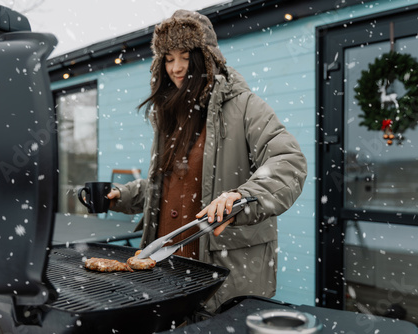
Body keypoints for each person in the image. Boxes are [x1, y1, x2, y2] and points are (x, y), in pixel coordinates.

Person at [107, 9, 307, 312]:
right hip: (163, 272)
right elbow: (168, 188)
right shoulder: (170, 116)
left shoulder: (243, 105)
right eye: (168, 58)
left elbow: (289, 162)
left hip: (221, 281)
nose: (176, 68)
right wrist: (121, 195)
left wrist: (242, 197)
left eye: (185, 56)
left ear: (206, 57)